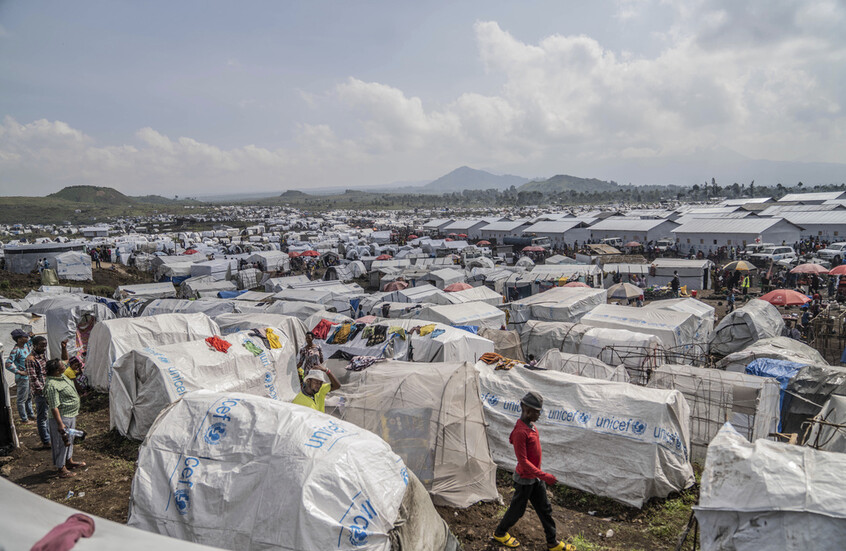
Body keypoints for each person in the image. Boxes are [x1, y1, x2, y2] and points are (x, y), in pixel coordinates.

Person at [493, 392, 573, 551]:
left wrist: (540, 476)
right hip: (525, 480)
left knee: (545, 509)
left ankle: (552, 542)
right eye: (537, 412)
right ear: (528, 410)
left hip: (535, 478)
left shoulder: (532, 427)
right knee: (517, 510)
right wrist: (545, 476)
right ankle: (500, 533)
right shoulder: (520, 432)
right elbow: (523, 461)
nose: (539, 415)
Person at [44, 358, 86, 478]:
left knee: (70, 439)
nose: (65, 365)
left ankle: (69, 461)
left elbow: (65, 358)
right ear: (57, 370)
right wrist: (60, 424)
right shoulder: (52, 385)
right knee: (61, 442)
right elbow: (54, 406)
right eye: (62, 365)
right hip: (61, 417)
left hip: (70, 414)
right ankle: (61, 468)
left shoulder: (61, 377)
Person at [26, 336, 51, 448]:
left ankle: (49, 436)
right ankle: (46, 441)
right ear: (34, 345)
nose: (44, 348)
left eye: (45, 345)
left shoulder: (42, 356)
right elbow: (33, 379)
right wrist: (44, 392)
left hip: (48, 390)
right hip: (40, 393)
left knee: (49, 415)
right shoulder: (30, 359)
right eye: (42, 345)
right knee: (42, 417)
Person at [4, 329, 34, 423]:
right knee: (21, 399)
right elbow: (7, 364)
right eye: (25, 336)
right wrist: (18, 372)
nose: (27, 337)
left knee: (29, 397)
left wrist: (32, 336)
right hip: (22, 378)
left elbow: (33, 341)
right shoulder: (15, 350)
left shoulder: (26, 345)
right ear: (19, 339)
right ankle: (24, 419)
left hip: (28, 376)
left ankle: (30, 415)